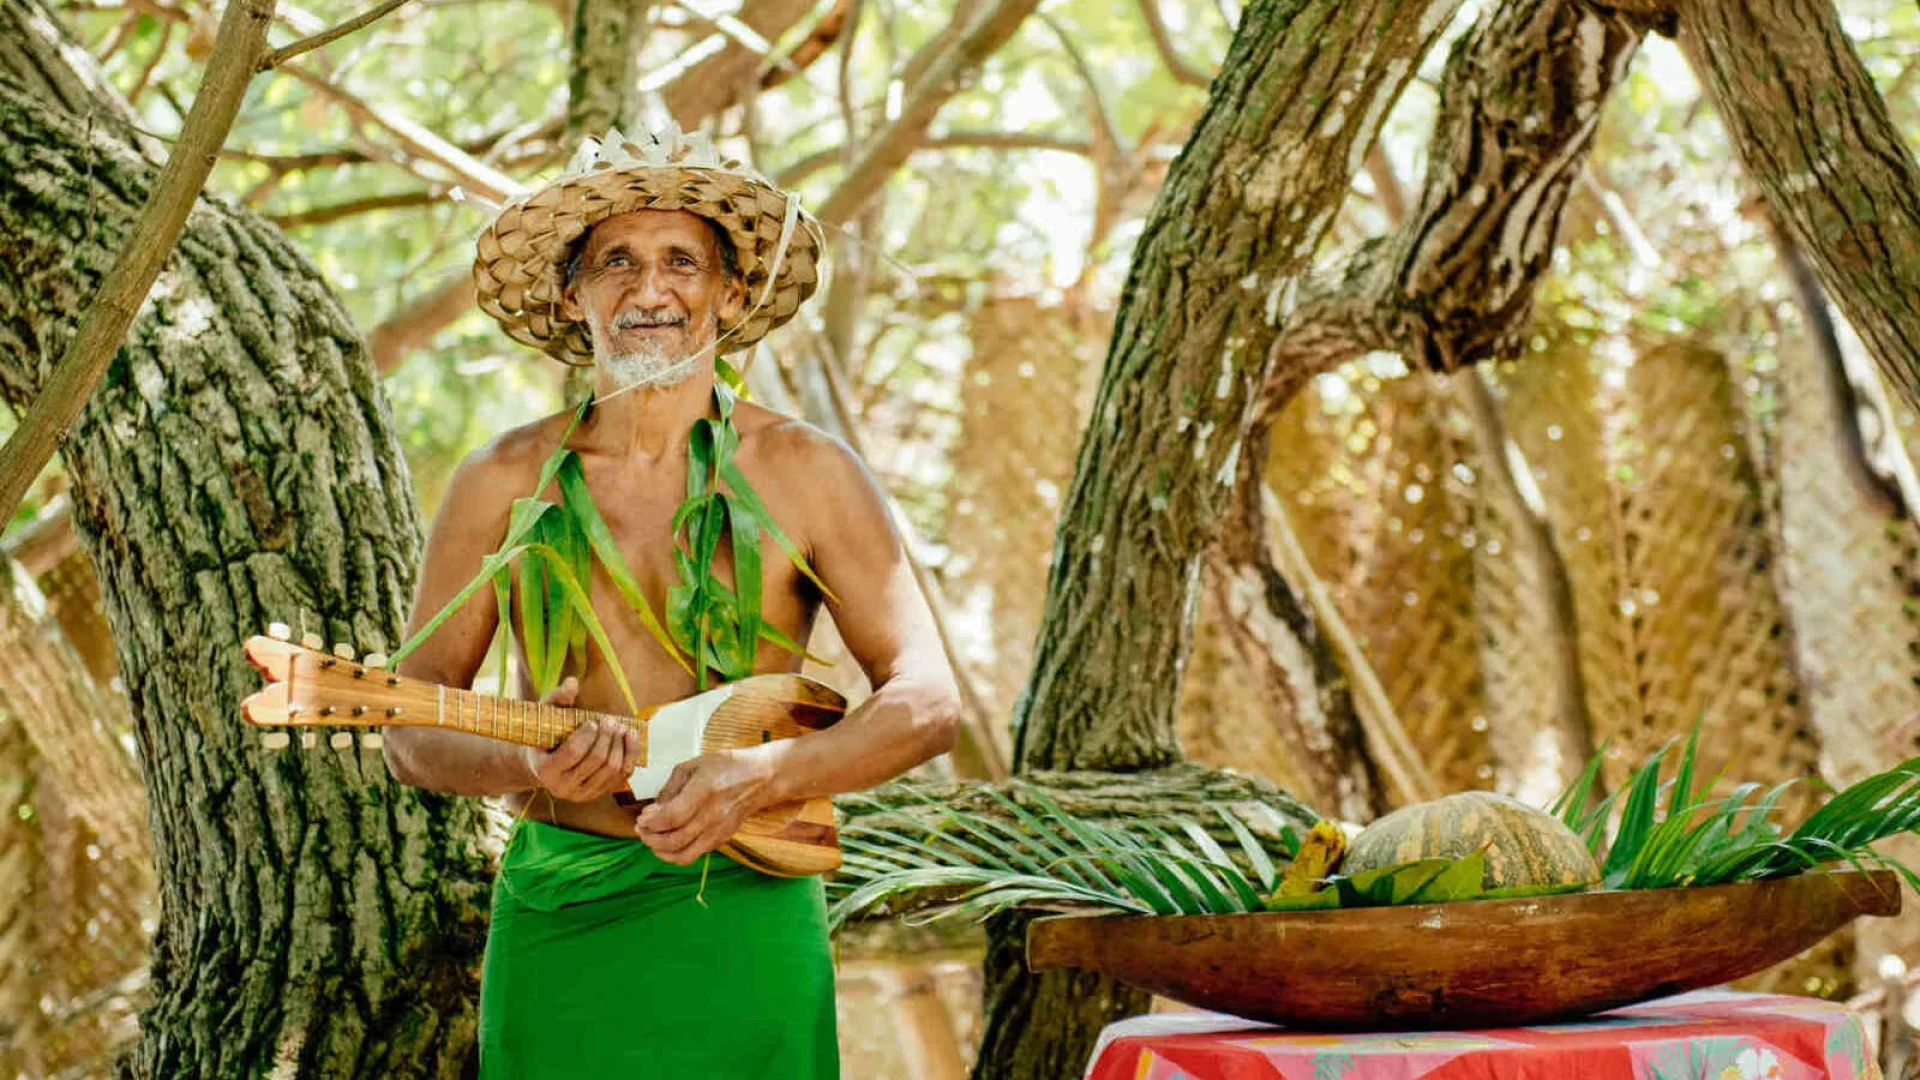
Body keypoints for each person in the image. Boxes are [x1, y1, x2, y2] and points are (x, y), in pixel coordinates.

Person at [381, 126, 962, 1079]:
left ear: (730, 295)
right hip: (560, 910)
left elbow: (928, 702)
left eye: (680, 262)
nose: (650, 290)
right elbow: (412, 725)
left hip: (749, 902)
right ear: (573, 294)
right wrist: (527, 762)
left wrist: (765, 777)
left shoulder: (807, 473)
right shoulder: (503, 482)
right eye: (617, 261)